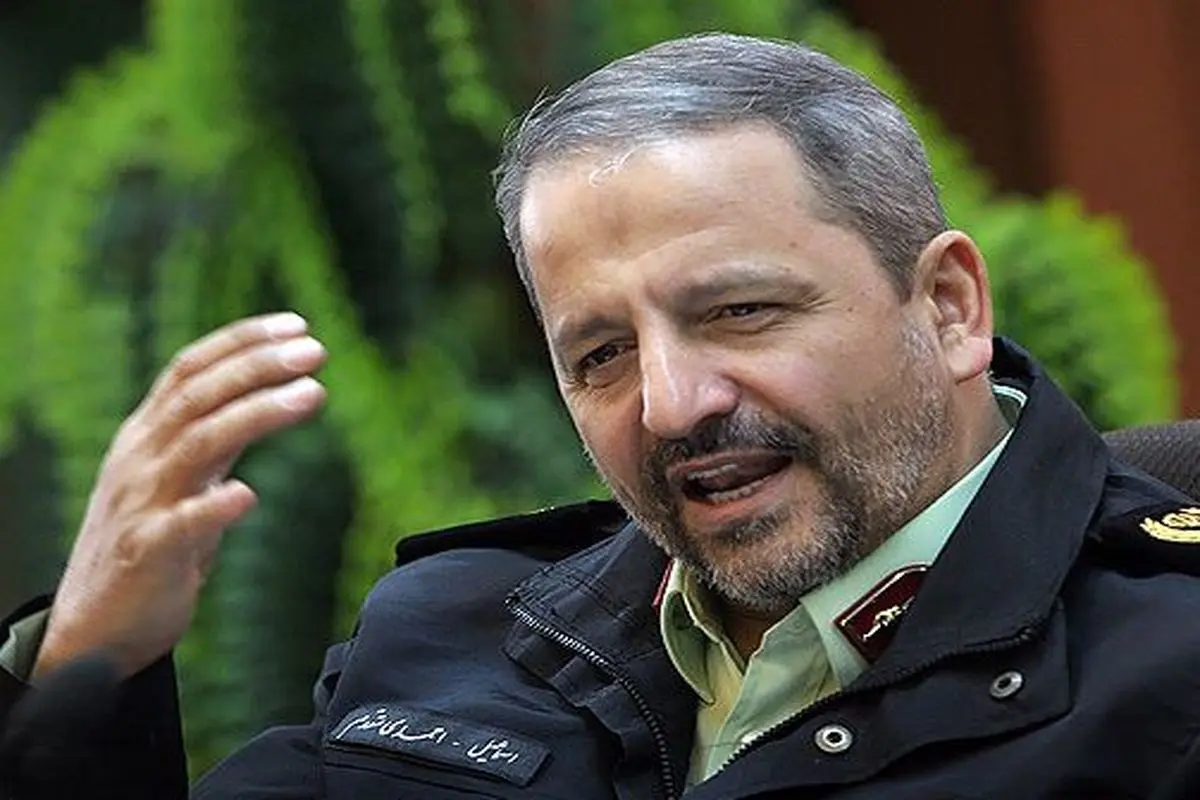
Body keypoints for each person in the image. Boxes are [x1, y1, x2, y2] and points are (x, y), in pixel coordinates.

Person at [1, 31, 1199, 799]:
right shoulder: (447, 630)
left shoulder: (1166, 668)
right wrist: (86, 667)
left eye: (738, 312)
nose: (673, 404)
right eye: (601, 353)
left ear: (946, 305)